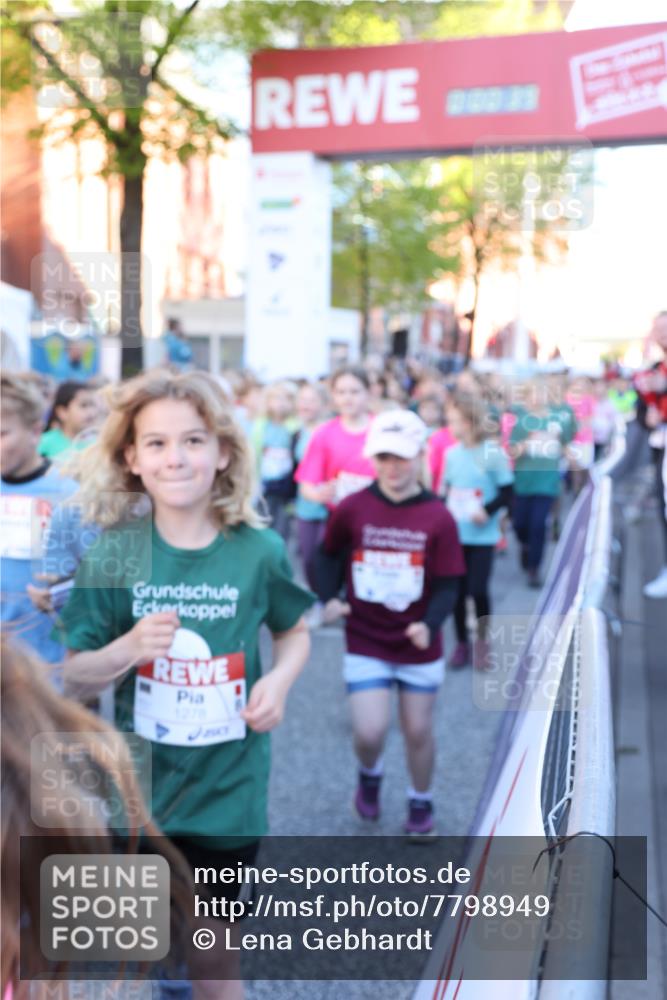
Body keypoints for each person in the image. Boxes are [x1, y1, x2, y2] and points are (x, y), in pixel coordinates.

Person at [59, 369, 314, 1000]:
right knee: (145, 953)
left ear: (223, 452)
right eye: (157, 443)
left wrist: (279, 682)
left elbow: (294, 631)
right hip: (139, 796)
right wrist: (126, 648)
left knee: (214, 959)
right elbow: (74, 673)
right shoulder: (114, 554)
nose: (175, 457)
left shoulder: (259, 550)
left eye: (194, 440)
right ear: (131, 459)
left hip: (228, 794)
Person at [314, 410, 464, 837]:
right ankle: (369, 774)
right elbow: (326, 555)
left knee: (417, 729)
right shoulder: (353, 507)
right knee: (370, 730)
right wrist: (329, 598)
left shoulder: (438, 516)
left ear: (419, 456)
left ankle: (421, 800)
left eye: (401, 457)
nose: (392, 467)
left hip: (418, 642)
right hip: (366, 636)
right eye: (383, 458)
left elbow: (450, 583)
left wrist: (430, 625)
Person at [0, 374, 78, 673]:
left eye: (2, 434)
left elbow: (97, 578)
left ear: (35, 431)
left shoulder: (68, 494)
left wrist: (63, 591)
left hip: (46, 667)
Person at [443, 394, 514, 669]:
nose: (450, 426)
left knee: (478, 589)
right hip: (455, 535)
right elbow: (447, 491)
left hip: (482, 536)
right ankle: (462, 643)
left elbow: (507, 492)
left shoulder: (492, 454)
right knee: (457, 593)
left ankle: (482, 641)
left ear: (470, 422)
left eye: (455, 421)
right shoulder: (451, 454)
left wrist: (486, 510)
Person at [510, 379, 577, 588]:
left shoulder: (557, 420)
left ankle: (534, 568)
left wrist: (574, 460)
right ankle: (525, 546)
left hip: (547, 482)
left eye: (540, 393)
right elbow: (512, 451)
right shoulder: (522, 422)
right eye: (532, 394)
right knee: (520, 525)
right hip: (524, 483)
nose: (537, 398)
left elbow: (565, 445)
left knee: (539, 525)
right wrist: (527, 442)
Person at [295, 366, 375, 511]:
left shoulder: (381, 429)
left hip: (377, 514)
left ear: (368, 392)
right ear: (333, 395)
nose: (347, 398)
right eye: (341, 392)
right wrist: (320, 495)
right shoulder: (324, 433)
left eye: (355, 391)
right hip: (340, 515)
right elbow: (306, 486)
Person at [636, 311, 667, 598]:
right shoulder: (654, 370)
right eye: (659, 330)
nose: (662, 335)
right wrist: (648, 416)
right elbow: (641, 411)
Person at [251, 380, 300, 540]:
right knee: (263, 519)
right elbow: (255, 453)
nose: (281, 403)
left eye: (286, 399)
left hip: (287, 484)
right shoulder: (261, 425)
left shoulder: (295, 426)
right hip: (264, 482)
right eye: (277, 398)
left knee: (283, 523)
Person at [293, 381, 329, 592]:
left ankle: (327, 597)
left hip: (328, 506)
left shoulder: (329, 431)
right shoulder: (298, 432)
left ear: (324, 404)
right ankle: (316, 596)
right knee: (307, 558)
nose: (306, 405)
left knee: (324, 556)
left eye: (312, 400)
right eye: (302, 400)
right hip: (304, 505)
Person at [38, 380, 98, 459]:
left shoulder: (97, 444)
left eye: (92, 405)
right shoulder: (43, 443)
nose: (91, 412)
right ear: (62, 412)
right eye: (83, 405)